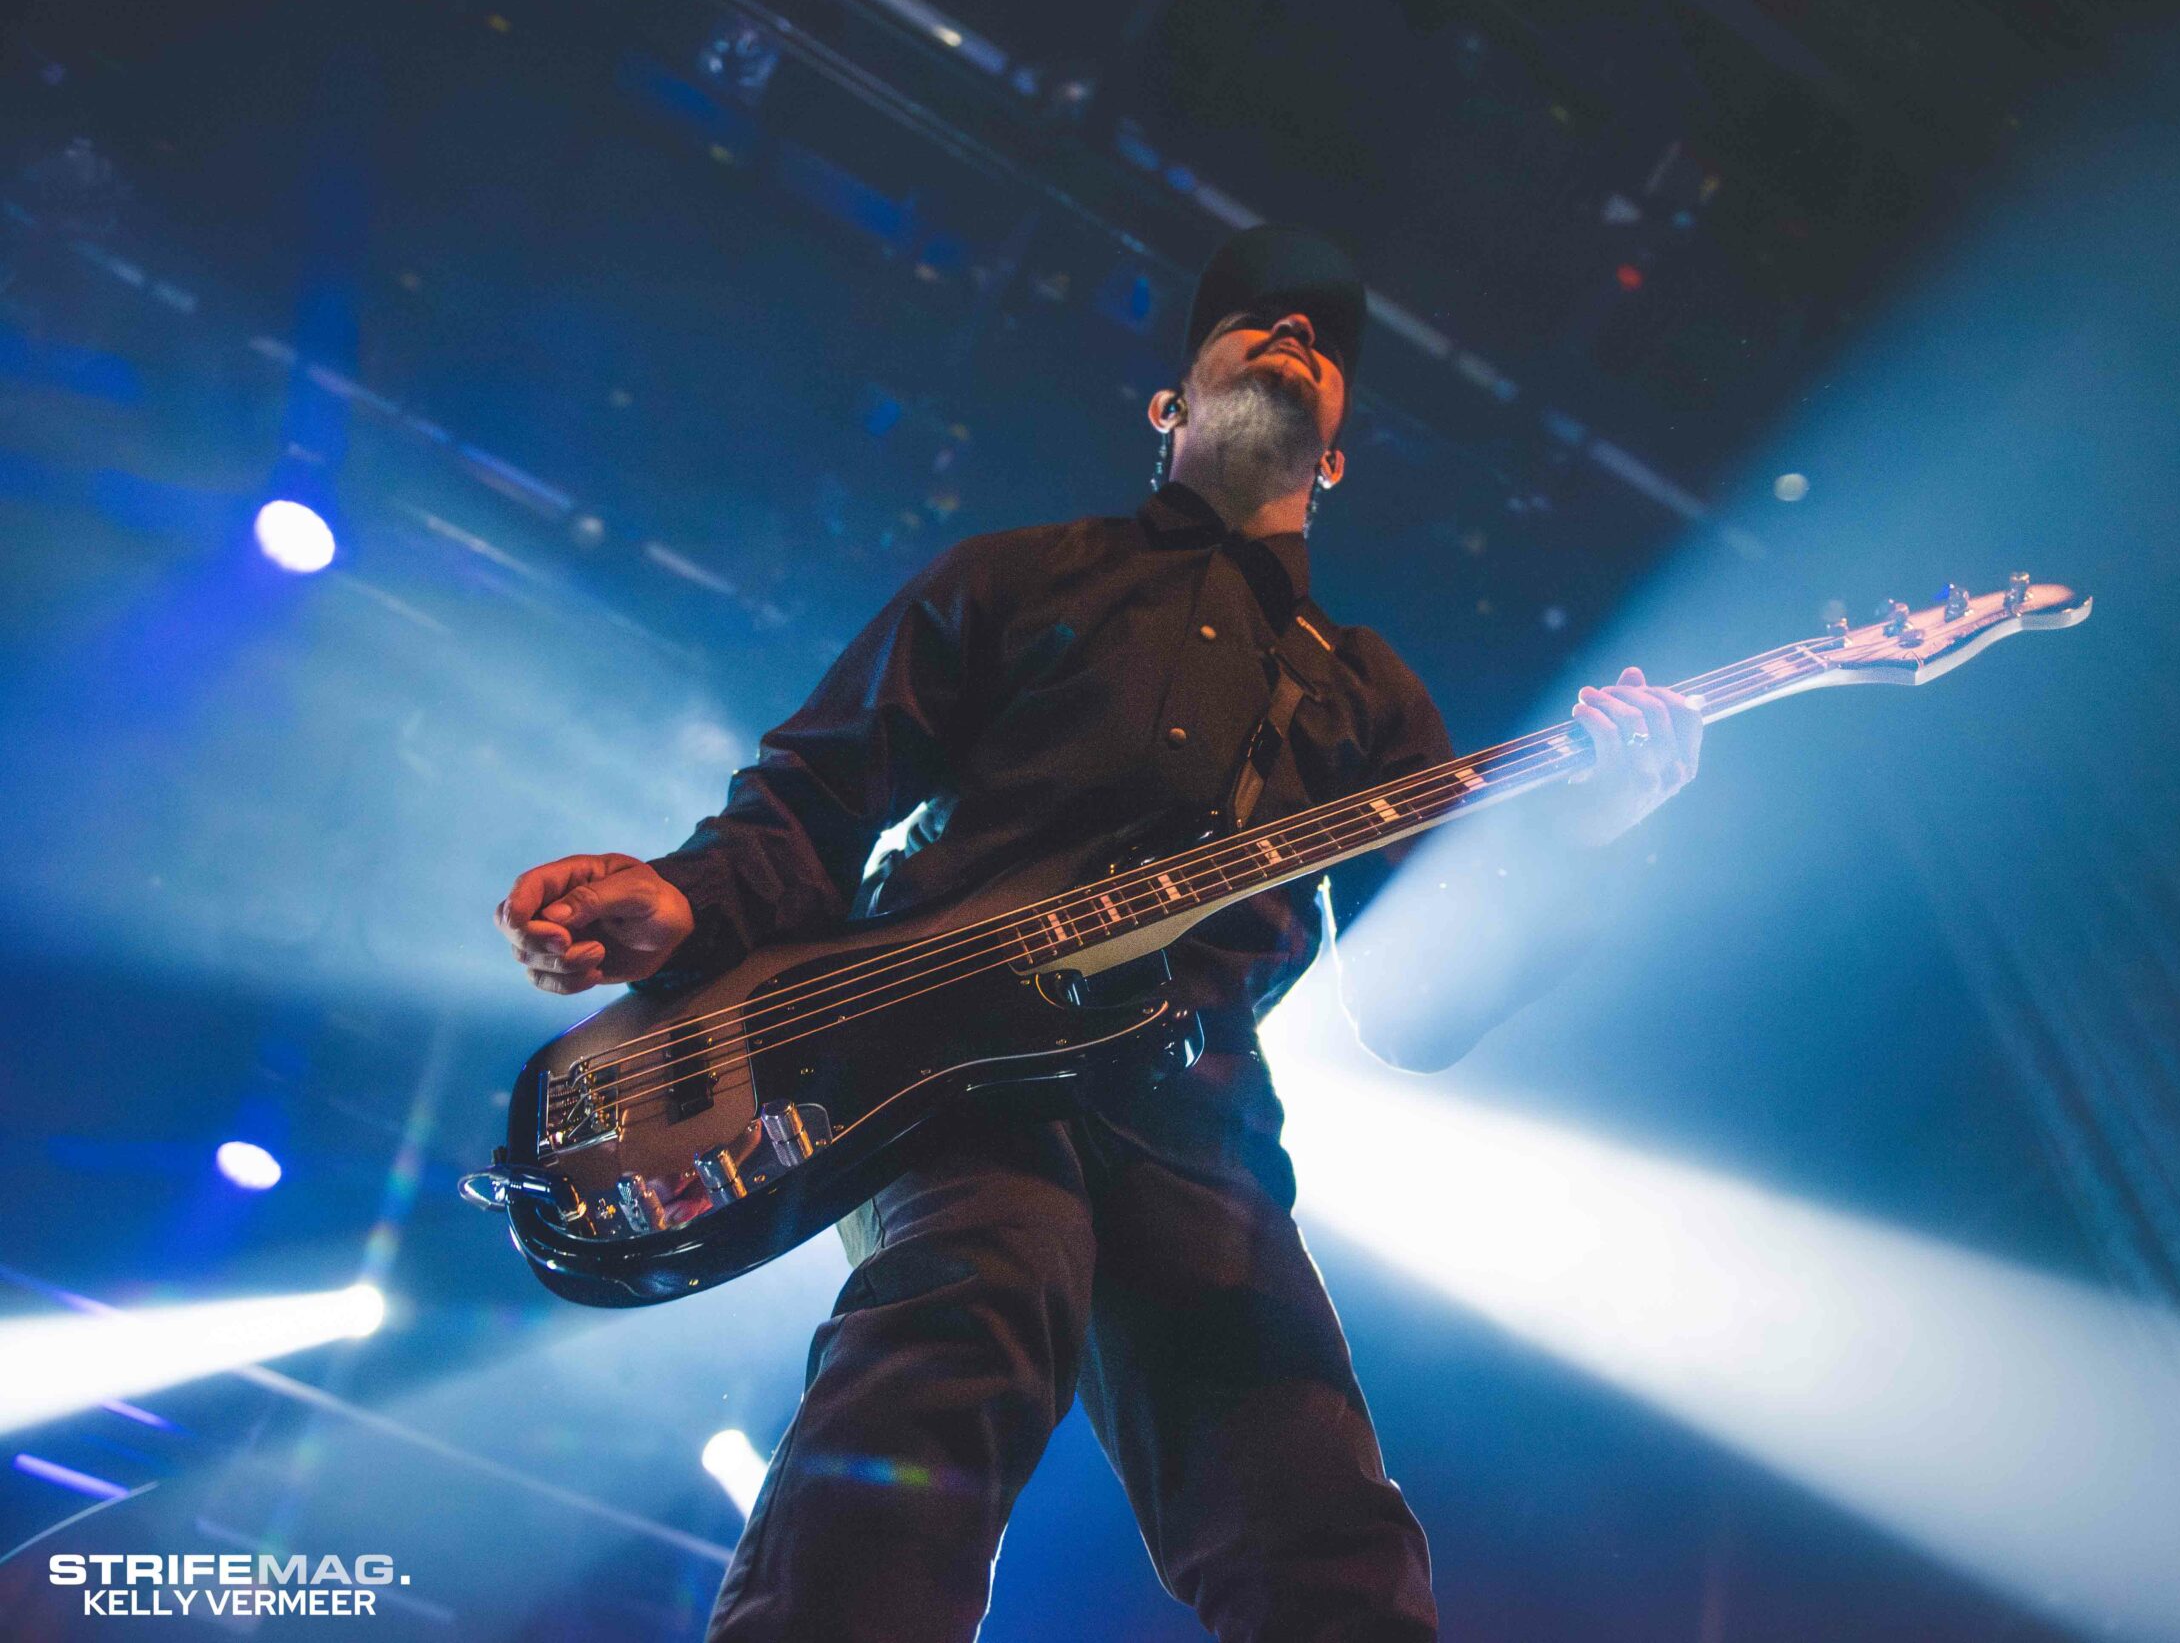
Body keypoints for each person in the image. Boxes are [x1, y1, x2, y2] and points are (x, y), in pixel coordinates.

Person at [494, 226, 1703, 1642]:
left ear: (1337, 464)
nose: (1293, 332)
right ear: (1166, 411)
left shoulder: (1368, 696)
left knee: (1317, 1516)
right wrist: (684, 900)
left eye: (1322, 342)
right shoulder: (1019, 575)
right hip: (940, 1070)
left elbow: (1417, 998)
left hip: (1191, 1115)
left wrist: (1588, 837)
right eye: (1251, 322)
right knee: (963, 1329)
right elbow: (817, 795)